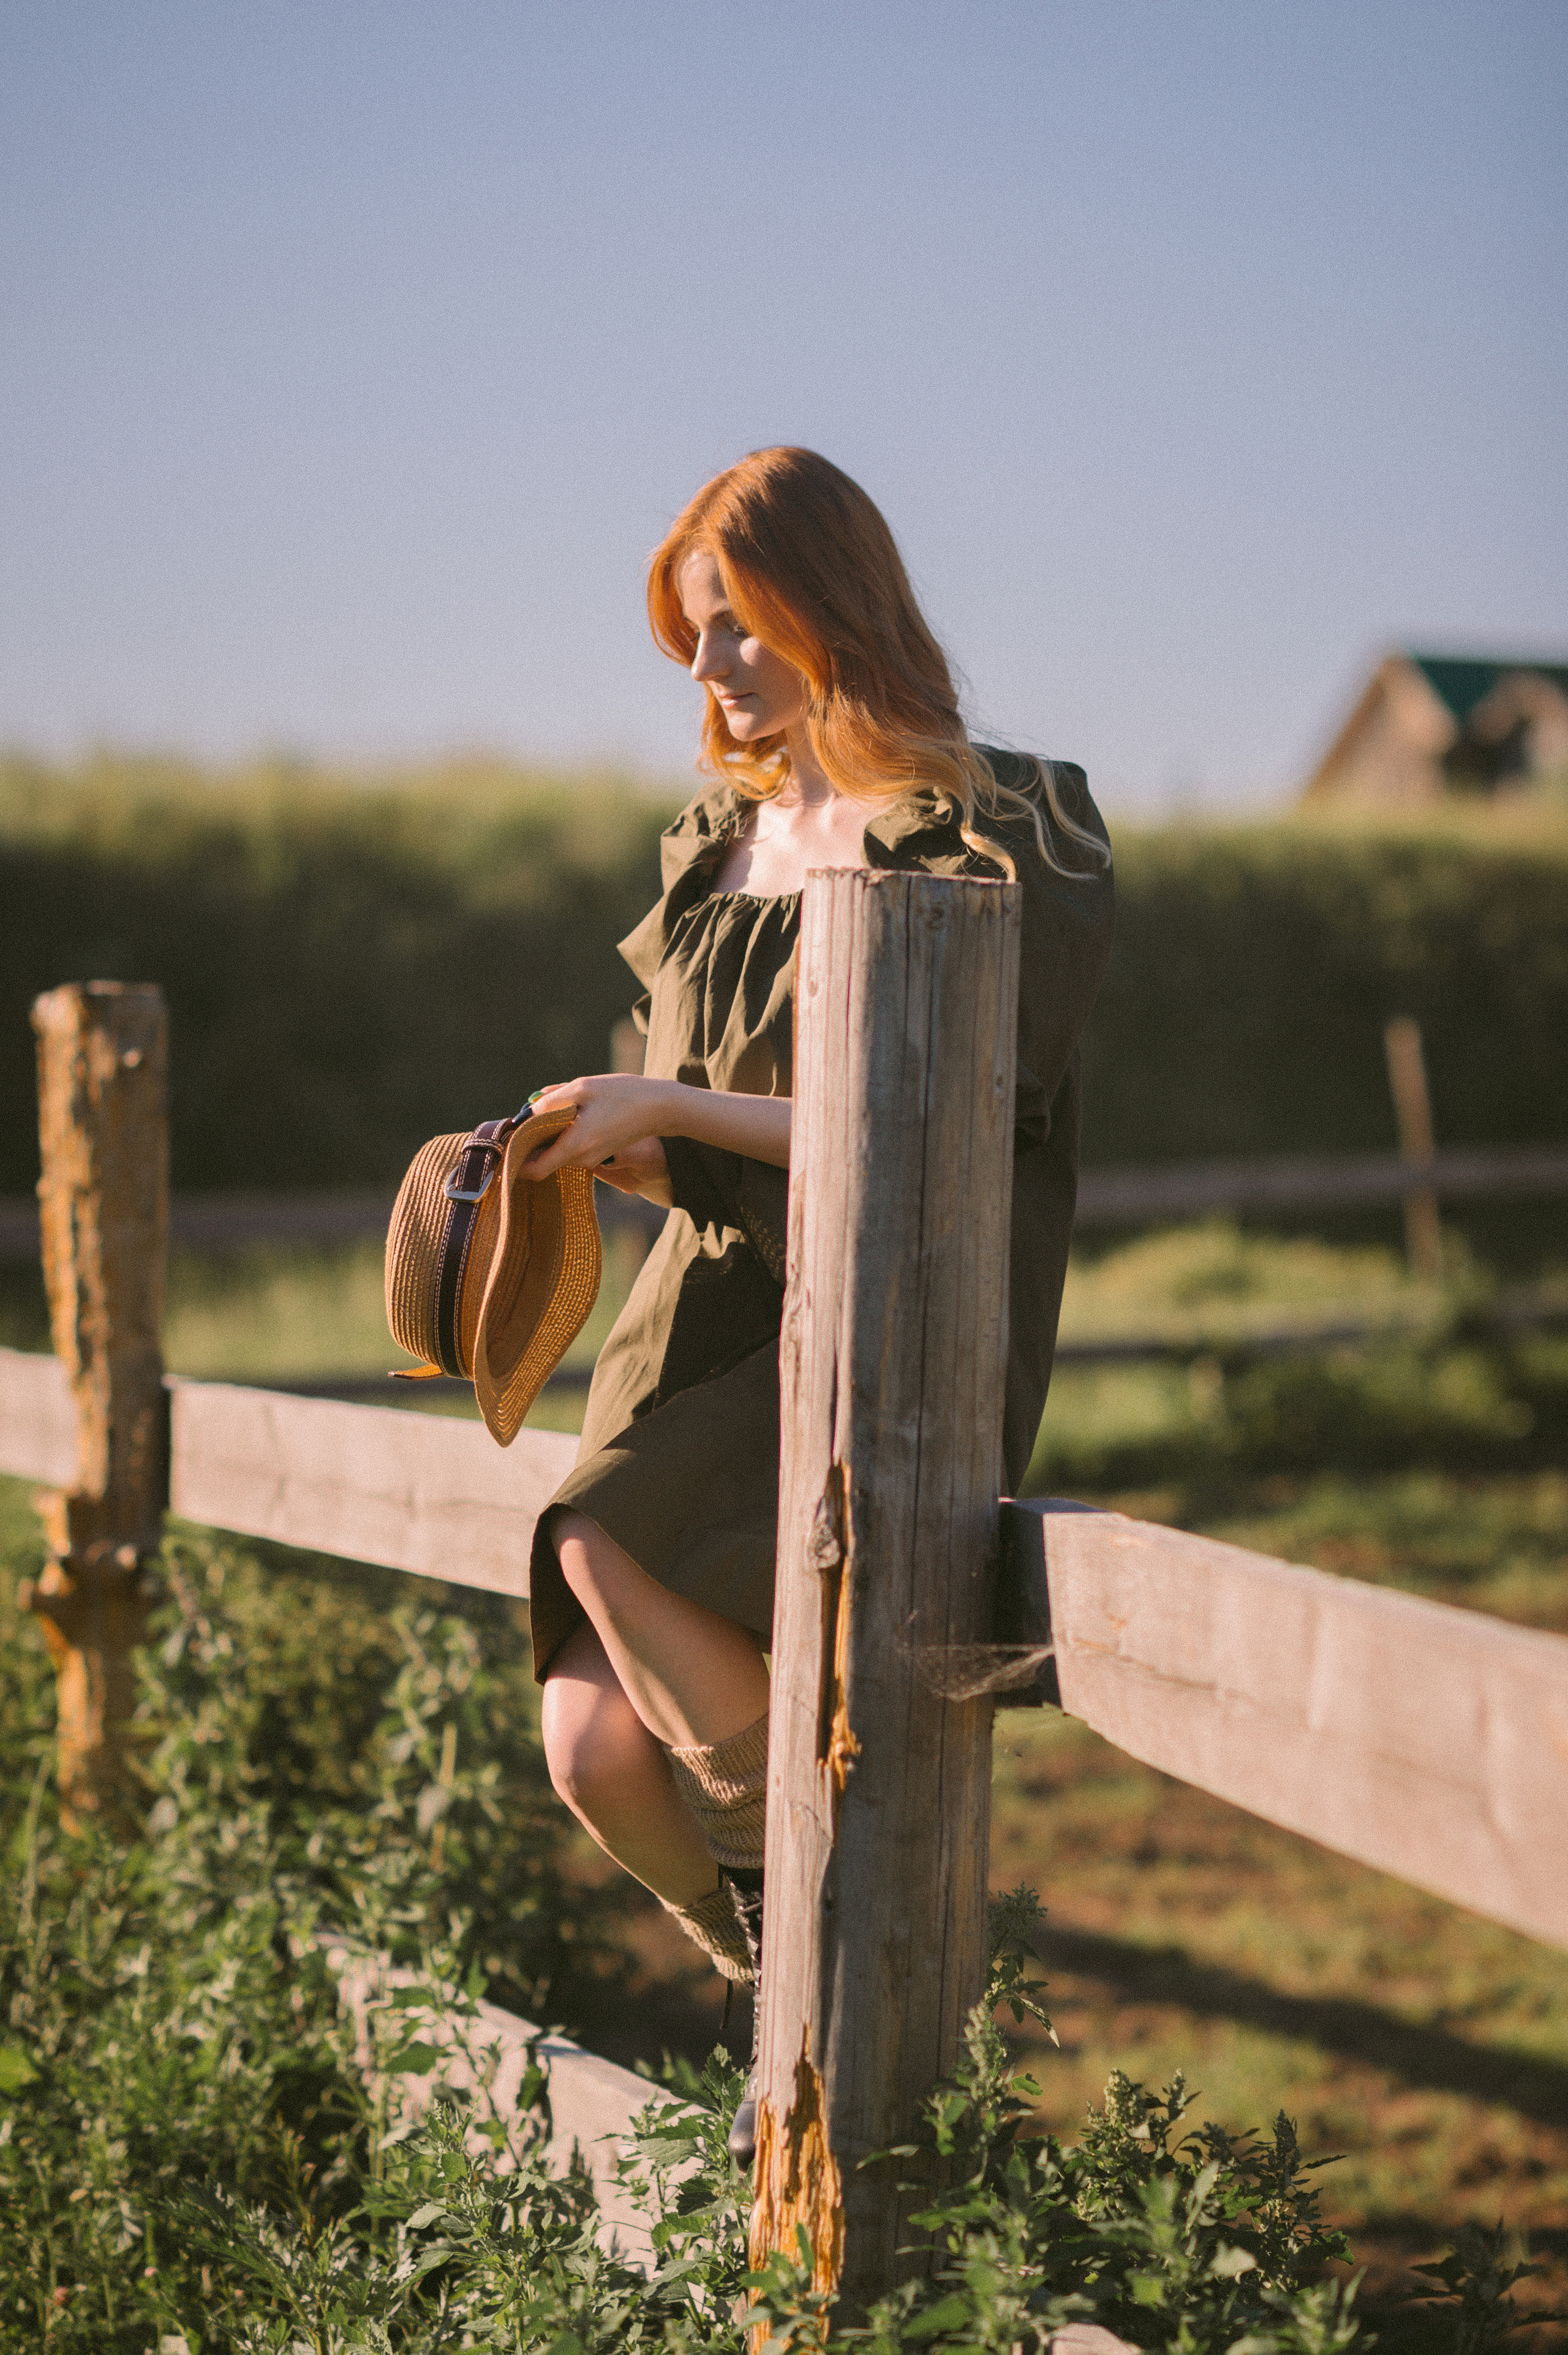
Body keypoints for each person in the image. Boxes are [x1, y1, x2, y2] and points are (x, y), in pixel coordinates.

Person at [517, 447, 1114, 2140]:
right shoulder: (720, 844)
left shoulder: (1008, 831)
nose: (705, 674)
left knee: (591, 1541)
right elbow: (691, 1111)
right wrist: (609, 1139)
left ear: (828, 606)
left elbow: (952, 1122)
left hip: (879, 1321)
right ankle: (781, 1959)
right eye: (692, 641)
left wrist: (681, 1111)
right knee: (588, 1748)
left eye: (732, 628)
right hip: (696, 1315)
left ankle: (840, 1942)